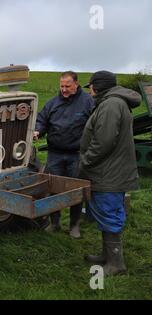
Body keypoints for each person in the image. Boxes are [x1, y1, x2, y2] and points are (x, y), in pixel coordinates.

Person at [80, 70, 140, 275]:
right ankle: (108, 255)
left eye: (91, 87)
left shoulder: (111, 105)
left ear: (98, 87)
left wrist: (85, 161)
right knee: (107, 212)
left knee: (109, 212)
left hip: (109, 173)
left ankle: (116, 264)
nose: (89, 92)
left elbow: (103, 141)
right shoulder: (113, 102)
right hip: (110, 170)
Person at [34, 71, 94, 238]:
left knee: (76, 190)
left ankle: (74, 225)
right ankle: (55, 223)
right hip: (55, 154)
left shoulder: (88, 102)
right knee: (53, 188)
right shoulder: (53, 103)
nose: (64, 89)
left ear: (76, 84)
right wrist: (38, 131)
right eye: (62, 86)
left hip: (77, 155)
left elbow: (96, 123)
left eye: (68, 86)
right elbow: (42, 120)